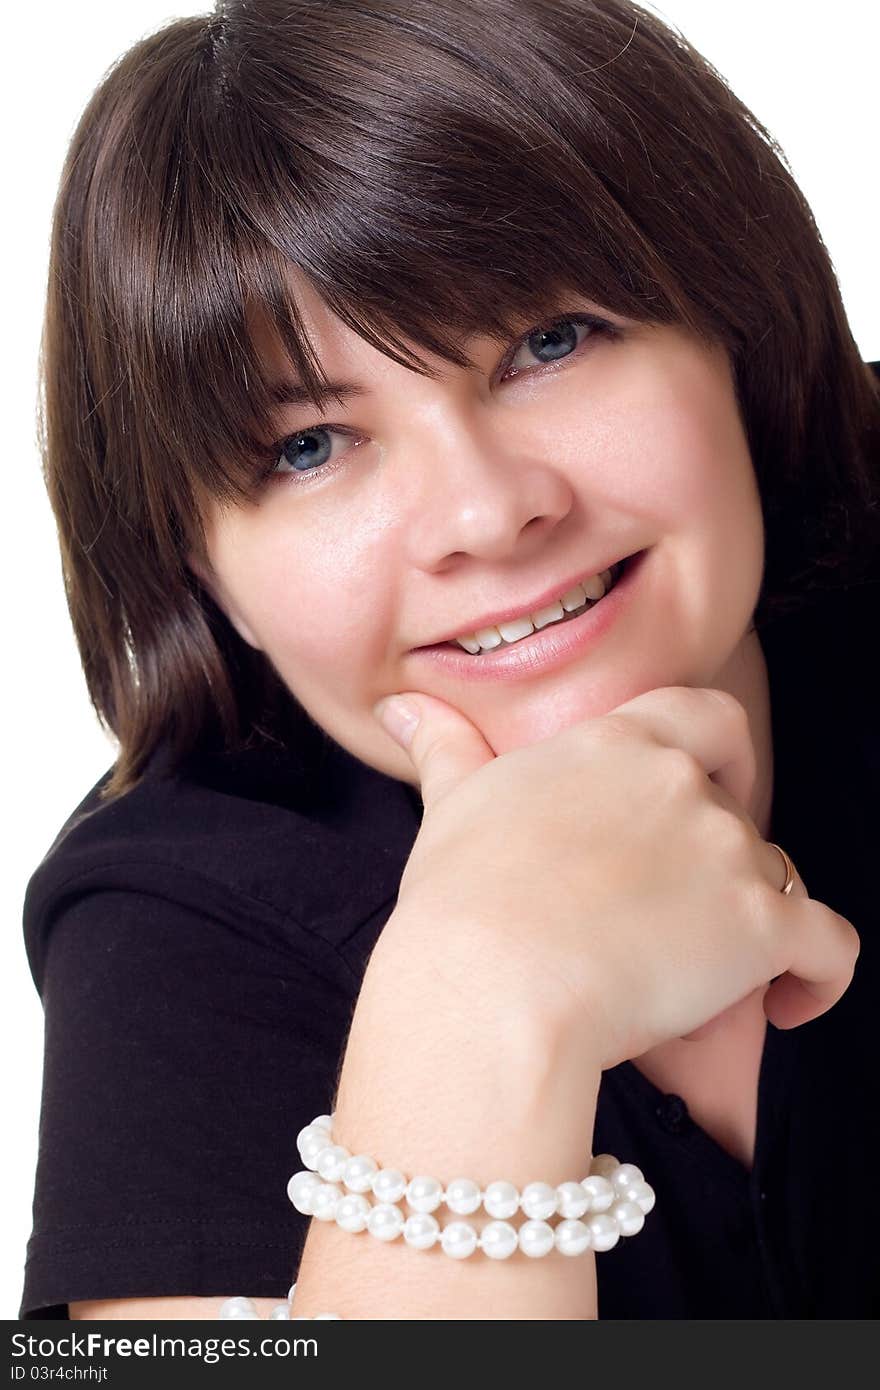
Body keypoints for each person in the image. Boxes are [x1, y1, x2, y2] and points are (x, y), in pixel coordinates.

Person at [18, 0, 880, 1321]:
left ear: (737, 338)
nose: (487, 513)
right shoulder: (180, 908)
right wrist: (483, 991)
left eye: (551, 340)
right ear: (203, 571)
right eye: (307, 447)